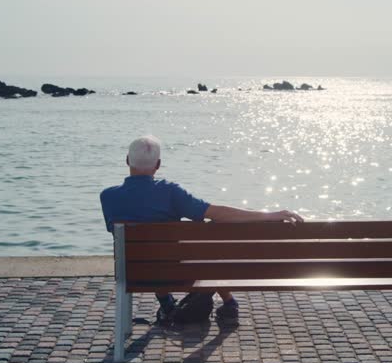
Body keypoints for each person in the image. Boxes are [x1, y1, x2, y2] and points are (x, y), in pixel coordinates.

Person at [100, 135, 303, 322]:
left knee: (150, 251)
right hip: (179, 273)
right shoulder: (170, 192)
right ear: (158, 164)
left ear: (127, 160)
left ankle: (166, 304)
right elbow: (218, 213)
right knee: (206, 239)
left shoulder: (107, 197)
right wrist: (270, 215)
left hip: (133, 273)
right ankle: (229, 303)